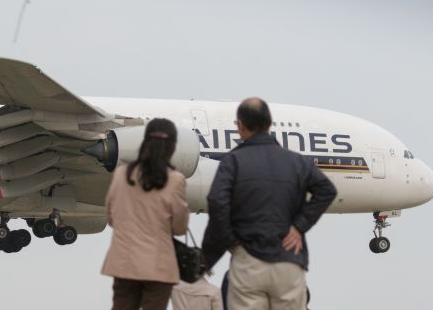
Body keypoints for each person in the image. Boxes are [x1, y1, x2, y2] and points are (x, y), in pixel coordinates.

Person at [202, 97, 337, 310]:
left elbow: (217, 203)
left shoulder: (233, 161)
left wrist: (214, 255)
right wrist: (299, 226)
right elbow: (327, 190)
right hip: (288, 260)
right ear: (270, 123)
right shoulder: (297, 161)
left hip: (248, 261)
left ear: (240, 125)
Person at [102, 118, 190, 310]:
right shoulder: (175, 180)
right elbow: (179, 227)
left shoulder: (121, 174)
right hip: (159, 264)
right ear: (173, 146)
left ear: (145, 141)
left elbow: (111, 217)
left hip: (124, 262)